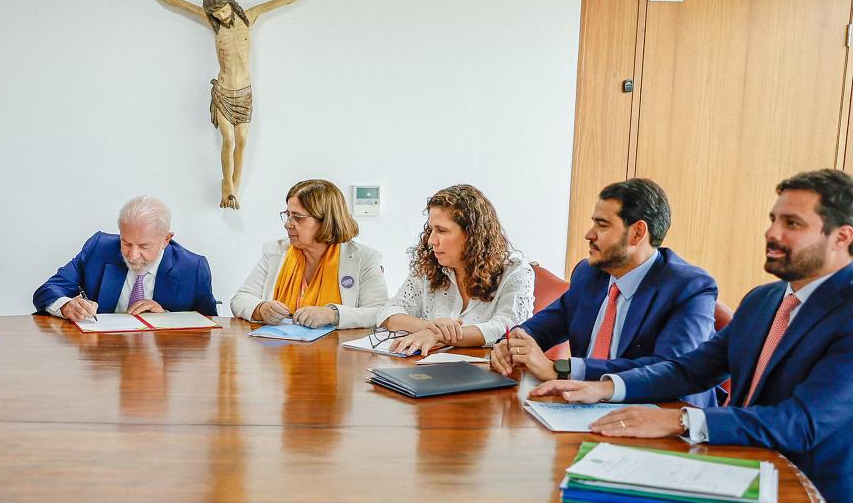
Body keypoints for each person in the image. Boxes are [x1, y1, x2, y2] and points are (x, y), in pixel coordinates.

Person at [531, 169, 853, 503]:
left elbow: (803, 423)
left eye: (792, 224)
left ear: (842, 237)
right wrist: (604, 387)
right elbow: (690, 368)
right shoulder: (764, 300)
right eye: (773, 219)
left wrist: (680, 420)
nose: (772, 233)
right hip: (739, 471)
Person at [490, 178, 718, 407]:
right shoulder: (589, 274)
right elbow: (544, 325)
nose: (589, 234)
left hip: (663, 413)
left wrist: (562, 369)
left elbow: (668, 369)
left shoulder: (689, 287)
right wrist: (511, 344)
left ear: (637, 233)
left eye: (602, 225)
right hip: (585, 407)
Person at [134, 0, 331, 209]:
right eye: (216, 13)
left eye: (224, 10)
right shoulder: (212, 24)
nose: (221, 15)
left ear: (231, 3)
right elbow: (176, 1)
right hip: (224, 92)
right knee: (228, 140)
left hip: (245, 93)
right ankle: (226, 185)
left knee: (243, 141)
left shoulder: (249, 17)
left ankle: (234, 191)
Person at [377, 185, 534, 355]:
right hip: (431, 369)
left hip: (490, 372)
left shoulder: (515, 270)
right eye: (431, 229)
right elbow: (390, 311)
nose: (431, 240)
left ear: (472, 235)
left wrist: (439, 336)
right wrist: (429, 328)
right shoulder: (431, 264)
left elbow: (508, 326)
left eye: (442, 230)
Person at [230, 179, 388, 329]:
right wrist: (261, 308)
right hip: (278, 352)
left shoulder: (364, 258)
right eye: (287, 215)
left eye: (298, 217)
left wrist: (333, 315)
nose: (287, 224)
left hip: (338, 354)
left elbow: (380, 312)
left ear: (326, 221)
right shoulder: (275, 251)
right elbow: (240, 299)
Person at [34, 196, 217, 320]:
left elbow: (210, 327)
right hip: (105, 361)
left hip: (161, 366)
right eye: (126, 243)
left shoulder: (193, 268)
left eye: (144, 246)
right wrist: (67, 306)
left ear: (166, 240)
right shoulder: (99, 248)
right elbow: (48, 290)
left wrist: (166, 318)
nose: (132, 255)